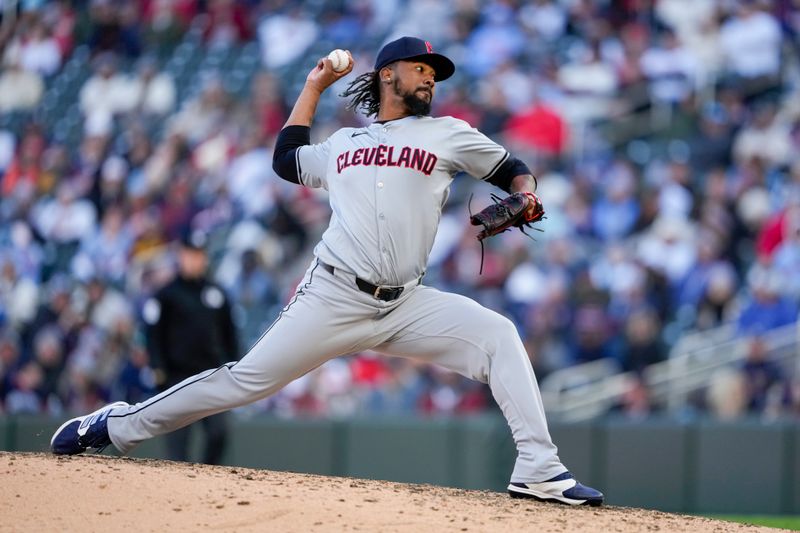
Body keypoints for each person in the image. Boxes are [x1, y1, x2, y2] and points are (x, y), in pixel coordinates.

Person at [50, 36, 603, 506]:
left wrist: (526, 196)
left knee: (498, 335)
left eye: (435, 73)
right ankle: (115, 426)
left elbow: (514, 171)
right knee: (244, 382)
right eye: (421, 69)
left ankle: (537, 469)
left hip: (404, 304)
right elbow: (286, 159)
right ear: (390, 75)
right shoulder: (344, 144)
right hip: (332, 296)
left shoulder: (447, 134)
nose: (431, 78)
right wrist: (313, 87)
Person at [142, 229, 238, 464]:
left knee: (218, 434)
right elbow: (153, 335)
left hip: (212, 375)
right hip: (178, 376)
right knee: (178, 441)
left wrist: (235, 365)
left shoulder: (216, 293)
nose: (195, 260)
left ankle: (208, 478)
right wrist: (158, 368)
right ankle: (178, 490)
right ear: (180, 255)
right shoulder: (166, 294)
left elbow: (230, 334)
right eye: (190, 254)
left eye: (199, 254)